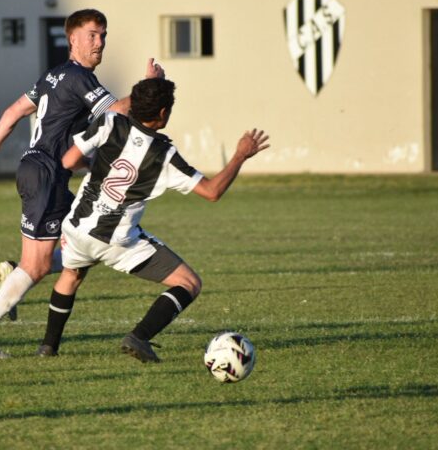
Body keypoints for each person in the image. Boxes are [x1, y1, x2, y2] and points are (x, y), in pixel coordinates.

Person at [0, 8, 165, 360]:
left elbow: (12, 112)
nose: (99, 42)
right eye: (92, 35)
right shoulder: (81, 78)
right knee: (39, 265)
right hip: (46, 174)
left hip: (40, 171)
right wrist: (150, 88)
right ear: (73, 39)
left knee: (88, 239)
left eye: (103, 35)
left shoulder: (54, 75)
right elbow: (119, 112)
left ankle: (15, 277)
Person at [36, 78, 270, 362]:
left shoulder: (110, 122)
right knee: (189, 283)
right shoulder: (164, 155)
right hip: (115, 241)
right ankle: (139, 337)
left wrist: (97, 168)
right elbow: (212, 192)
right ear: (162, 114)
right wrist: (240, 156)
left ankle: (48, 347)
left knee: (71, 275)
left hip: (75, 227)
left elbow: (69, 161)